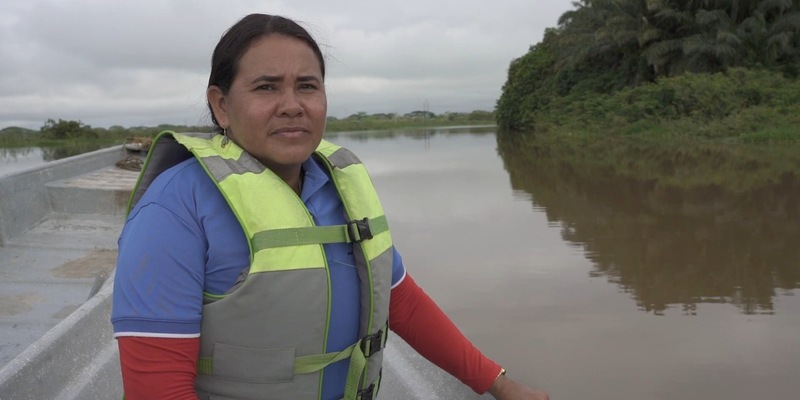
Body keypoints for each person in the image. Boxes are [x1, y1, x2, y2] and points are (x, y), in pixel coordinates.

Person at [111, 13, 550, 400]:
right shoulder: (173, 210)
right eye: (267, 87)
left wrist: (500, 383)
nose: (292, 105)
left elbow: (402, 303)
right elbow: (158, 390)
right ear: (221, 105)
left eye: (307, 86)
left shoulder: (339, 190)